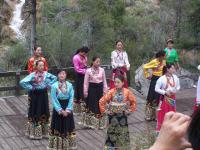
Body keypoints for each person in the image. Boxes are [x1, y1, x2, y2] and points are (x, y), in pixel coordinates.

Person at [20, 60, 57, 139]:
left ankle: (45, 132)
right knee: (34, 110)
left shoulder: (46, 74)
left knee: (44, 110)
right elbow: (22, 82)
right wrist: (31, 87)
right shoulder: (32, 75)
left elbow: (55, 78)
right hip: (35, 95)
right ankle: (34, 133)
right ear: (36, 66)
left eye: (43, 65)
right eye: (40, 65)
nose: (41, 67)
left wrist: (48, 85)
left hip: (43, 94)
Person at [99, 75, 137, 149]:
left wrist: (129, 111)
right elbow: (101, 101)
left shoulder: (127, 92)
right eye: (115, 82)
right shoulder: (111, 91)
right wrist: (106, 111)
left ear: (123, 82)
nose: (116, 84)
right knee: (112, 133)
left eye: (118, 82)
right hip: (113, 116)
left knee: (123, 133)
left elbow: (134, 102)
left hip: (123, 116)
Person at [47, 70, 77, 150]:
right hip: (58, 107)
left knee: (68, 125)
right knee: (58, 126)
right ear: (57, 75)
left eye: (63, 73)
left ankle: (68, 145)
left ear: (66, 75)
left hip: (67, 106)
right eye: (60, 74)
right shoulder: (54, 86)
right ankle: (57, 145)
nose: (61, 75)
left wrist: (68, 110)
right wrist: (60, 110)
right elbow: (53, 99)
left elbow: (71, 97)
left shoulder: (70, 85)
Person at [81, 56, 108, 129]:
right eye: (97, 61)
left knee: (100, 105)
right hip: (92, 89)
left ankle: (100, 124)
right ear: (93, 62)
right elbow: (85, 83)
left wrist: (105, 90)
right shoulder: (88, 71)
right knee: (92, 105)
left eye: (99, 62)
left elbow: (104, 81)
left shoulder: (102, 70)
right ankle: (92, 123)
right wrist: (85, 92)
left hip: (100, 89)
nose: (98, 63)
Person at [155, 64, 180, 133]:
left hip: (172, 97)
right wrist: (165, 92)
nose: (173, 70)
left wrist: (173, 91)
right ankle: (161, 128)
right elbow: (156, 89)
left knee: (172, 111)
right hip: (164, 98)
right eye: (172, 68)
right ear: (167, 69)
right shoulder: (162, 78)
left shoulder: (175, 77)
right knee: (163, 112)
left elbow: (178, 87)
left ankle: (171, 127)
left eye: (174, 68)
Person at [143, 51, 166, 121]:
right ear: (160, 56)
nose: (165, 57)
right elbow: (145, 67)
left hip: (162, 79)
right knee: (151, 96)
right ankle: (148, 115)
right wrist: (147, 75)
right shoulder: (154, 61)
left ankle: (156, 116)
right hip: (155, 79)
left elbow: (165, 70)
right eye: (164, 56)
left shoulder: (164, 62)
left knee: (159, 97)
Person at [72, 46, 90, 113]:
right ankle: (77, 109)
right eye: (85, 53)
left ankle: (84, 107)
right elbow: (77, 69)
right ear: (81, 52)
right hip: (79, 75)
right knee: (79, 90)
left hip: (85, 75)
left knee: (85, 88)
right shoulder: (75, 57)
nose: (86, 55)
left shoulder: (85, 57)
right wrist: (85, 71)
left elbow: (85, 65)